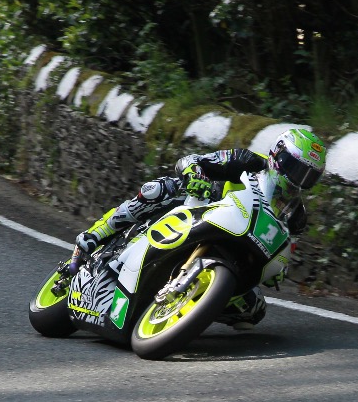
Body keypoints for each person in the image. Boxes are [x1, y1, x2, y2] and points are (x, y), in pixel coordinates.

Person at [64, 127, 327, 329]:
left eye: (308, 176)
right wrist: (194, 174)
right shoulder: (247, 161)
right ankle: (98, 232)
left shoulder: (296, 216)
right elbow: (193, 160)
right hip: (201, 210)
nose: (298, 180)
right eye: (294, 168)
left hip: (237, 251)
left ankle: (191, 309)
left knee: (253, 311)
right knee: (159, 189)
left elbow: (284, 255)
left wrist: (277, 271)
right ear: (277, 155)